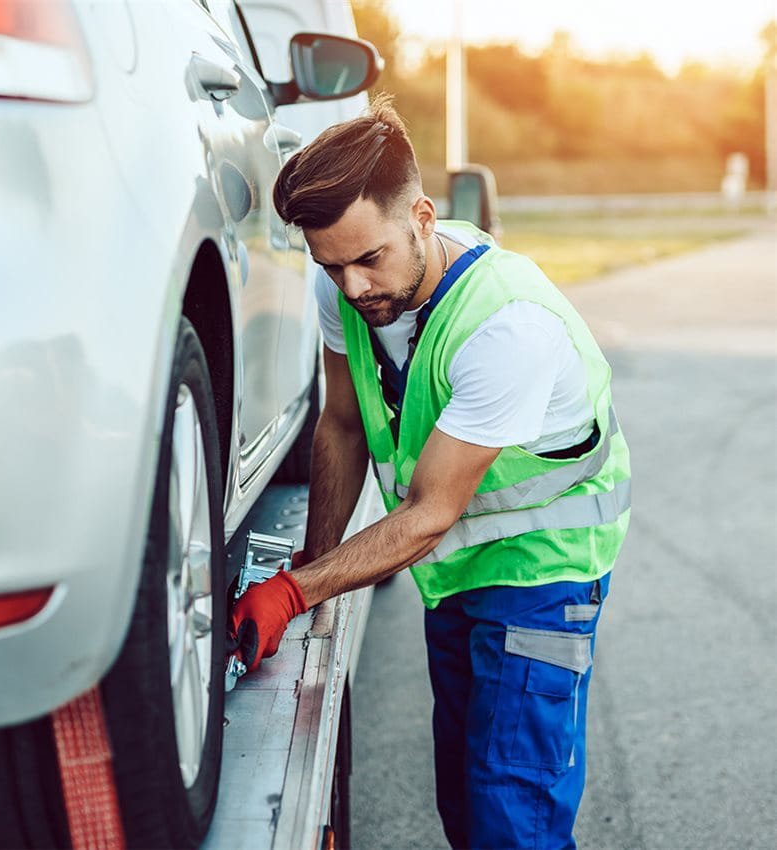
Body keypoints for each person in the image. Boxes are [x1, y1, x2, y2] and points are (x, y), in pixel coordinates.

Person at [228, 95, 631, 850]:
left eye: (368, 258)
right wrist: (316, 573)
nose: (352, 288)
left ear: (420, 216)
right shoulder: (345, 290)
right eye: (331, 264)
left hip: (543, 579)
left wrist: (292, 591)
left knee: (511, 822)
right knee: (464, 810)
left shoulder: (505, 326)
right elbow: (343, 426)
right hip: (456, 577)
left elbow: (429, 512)